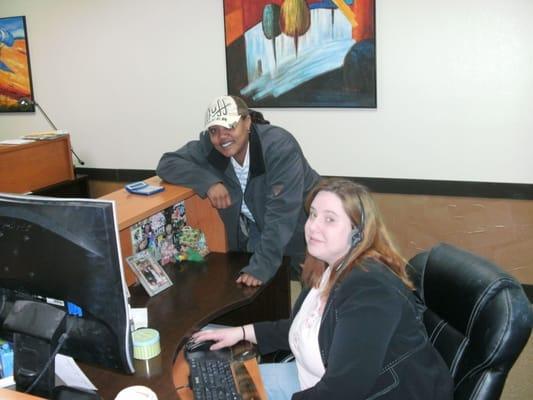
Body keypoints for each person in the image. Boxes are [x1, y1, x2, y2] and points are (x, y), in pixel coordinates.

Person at [191, 178, 454, 399]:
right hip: (311, 380)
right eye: (313, 215)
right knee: (220, 386)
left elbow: (343, 391)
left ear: (357, 232)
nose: (313, 226)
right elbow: (306, 328)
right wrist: (242, 332)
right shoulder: (327, 265)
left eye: (330, 219)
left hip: (376, 394)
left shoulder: (370, 289)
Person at [157, 95, 320, 287]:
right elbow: (167, 163)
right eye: (214, 130)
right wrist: (208, 183)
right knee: (270, 306)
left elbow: (281, 215)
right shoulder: (210, 148)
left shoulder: (278, 146)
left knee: (315, 303)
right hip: (261, 233)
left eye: (230, 126)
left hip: (307, 232)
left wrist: (261, 268)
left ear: (247, 122)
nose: (222, 137)